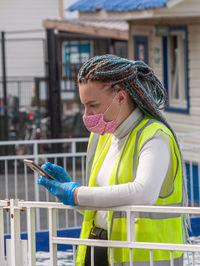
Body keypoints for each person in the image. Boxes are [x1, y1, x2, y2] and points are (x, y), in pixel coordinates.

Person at [37, 54, 188, 266]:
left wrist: (77, 194)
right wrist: (71, 192)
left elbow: (144, 193)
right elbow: (104, 205)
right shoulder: (102, 138)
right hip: (101, 250)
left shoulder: (155, 136)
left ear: (121, 97)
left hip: (146, 258)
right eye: (84, 106)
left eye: (93, 105)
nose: (86, 115)